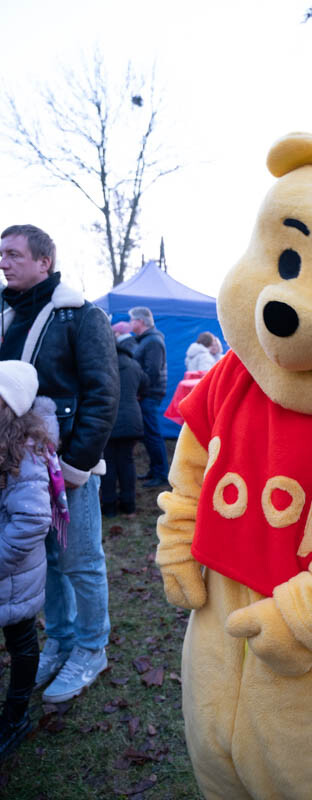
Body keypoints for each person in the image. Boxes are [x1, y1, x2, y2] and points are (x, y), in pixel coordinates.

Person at [0, 224, 119, 704]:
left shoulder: (83, 317)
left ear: (43, 262)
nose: (3, 262)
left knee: (81, 562)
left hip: (69, 466)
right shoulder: (6, 317)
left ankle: (92, 648)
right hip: (18, 467)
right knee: (44, 561)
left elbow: (103, 395)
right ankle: (62, 640)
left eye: (13, 254)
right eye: (2, 254)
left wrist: (75, 465)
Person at [0, 362, 56, 758]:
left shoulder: (26, 452)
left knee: (21, 642)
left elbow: (34, 519)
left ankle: (16, 715)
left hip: (13, 573)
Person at [101, 322, 149, 518]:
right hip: (131, 420)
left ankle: (109, 507)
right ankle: (129, 506)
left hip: (107, 420)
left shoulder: (103, 366)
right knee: (127, 462)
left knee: (108, 463)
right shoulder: (134, 365)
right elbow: (145, 386)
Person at [128, 306, 169, 487]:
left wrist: (140, 392)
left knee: (152, 434)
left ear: (141, 321)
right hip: (146, 393)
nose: (130, 323)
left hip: (149, 394)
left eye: (132, 320)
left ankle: (161, 473)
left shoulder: (152, 341)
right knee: (148, 434)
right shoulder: (147, 340)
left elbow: (152, 371)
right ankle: (155, 469)